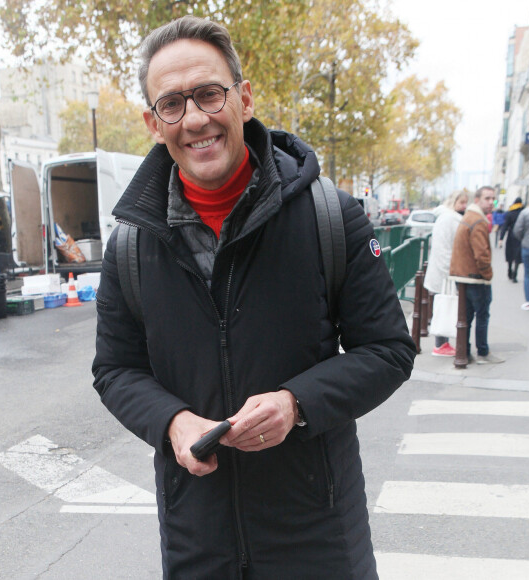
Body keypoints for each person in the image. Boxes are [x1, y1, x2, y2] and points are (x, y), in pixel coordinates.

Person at [92, 16, 416, 580]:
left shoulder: (329, 217)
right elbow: (116, 370)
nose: (194, 119)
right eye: (172, 103)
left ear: (242, 98)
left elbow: (388, 349)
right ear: (152, 121)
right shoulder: (130, 245)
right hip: (198, 538)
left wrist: (296, 404)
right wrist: (172, 423)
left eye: (208, 94)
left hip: (319, 534)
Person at [450, 186, 504, 365]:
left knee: (467, 318)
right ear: (478, 200)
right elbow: (481, 255)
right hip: (474, 277)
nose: (491, 202)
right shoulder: (478, 221)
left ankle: (464, 351)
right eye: (487, 198)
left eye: (493, 199)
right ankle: (483, 352)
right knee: (481, 316)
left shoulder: (469, 217)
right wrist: (488, 275)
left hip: (463, 276)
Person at [424, 190, 468, 356]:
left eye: (465, 203)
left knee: (443, 306)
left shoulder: (447, 217)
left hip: (443, 271)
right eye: (461, 202)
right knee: (444, 306)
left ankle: (442, 344)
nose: (464, 206)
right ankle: (441, 345)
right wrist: (451, 273)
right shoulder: (449, 219)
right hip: (445, 273)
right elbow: (445, 249)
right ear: (453, 201)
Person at [498, 196, 523, 283]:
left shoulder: (510, 213)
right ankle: (515, 274)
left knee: (510, 254)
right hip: (520, 237)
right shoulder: (523, 212)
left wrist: (501, 238)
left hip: (511, 236)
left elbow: (505, 226)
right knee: (517, 256)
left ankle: (509, 269)